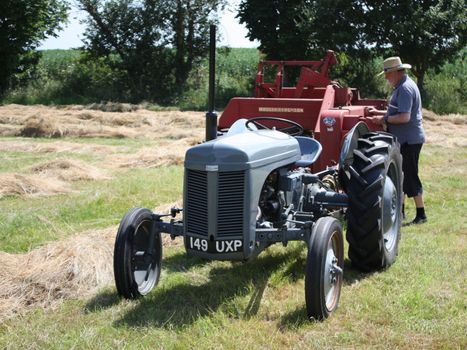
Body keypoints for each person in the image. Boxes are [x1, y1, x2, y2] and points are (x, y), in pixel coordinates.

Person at [367, 56, 427, 225]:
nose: (386, 78)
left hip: (409, 140)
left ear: (396, 73)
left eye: (387, 74)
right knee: (401, 175)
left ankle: (421, 214)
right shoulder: (402, 86)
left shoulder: (405, 89)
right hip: (406, 139)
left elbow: (404, 117)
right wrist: (381, 115)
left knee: (410, 176)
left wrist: (383, 120)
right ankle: (400, 212)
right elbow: (396, 112)